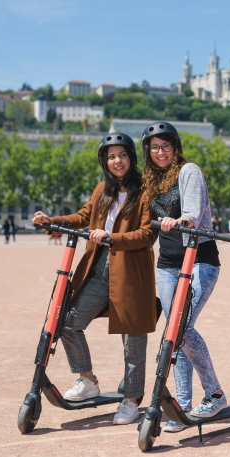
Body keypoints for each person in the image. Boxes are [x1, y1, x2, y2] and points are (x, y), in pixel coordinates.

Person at [31, 132, 157, 426]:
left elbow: (148, 234)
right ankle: (88, 380)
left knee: (133, 341)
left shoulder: (146, 191)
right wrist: (53, 222)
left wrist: (113, 238)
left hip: (131, 271)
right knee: (69, 322)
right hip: (98, 268)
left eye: (122, 155)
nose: (117, 161)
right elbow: (82, 216)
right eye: (112, 156)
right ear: (105, 161)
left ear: (131, 157)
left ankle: (131, 399)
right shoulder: (103, 189)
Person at [140, 121, 226, 433]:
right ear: (148, 153)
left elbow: (193, 211)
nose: (160, 152)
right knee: (173, 333)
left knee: (182, 327)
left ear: (175, 148)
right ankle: (183, 405)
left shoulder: (189, 171)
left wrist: (181, 220)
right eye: (154, 147)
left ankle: (215, 394)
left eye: (165, 146)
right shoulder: (150, 182)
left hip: (200, 258)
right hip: (168, 263)